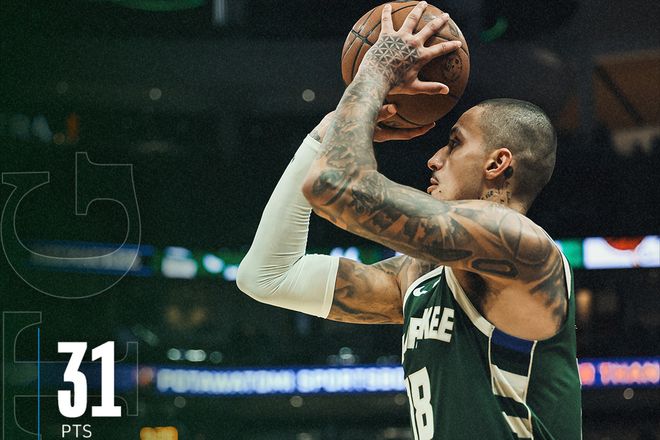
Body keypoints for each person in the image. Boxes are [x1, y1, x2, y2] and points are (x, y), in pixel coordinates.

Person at [237, 2, 582, 439]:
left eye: (454, 143)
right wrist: (323, 134)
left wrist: (375, 73)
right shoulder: (418, 276)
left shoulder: (519, 245)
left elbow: (335, 186)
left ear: (497, 163)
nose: (434, 159)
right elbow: (266, 277)